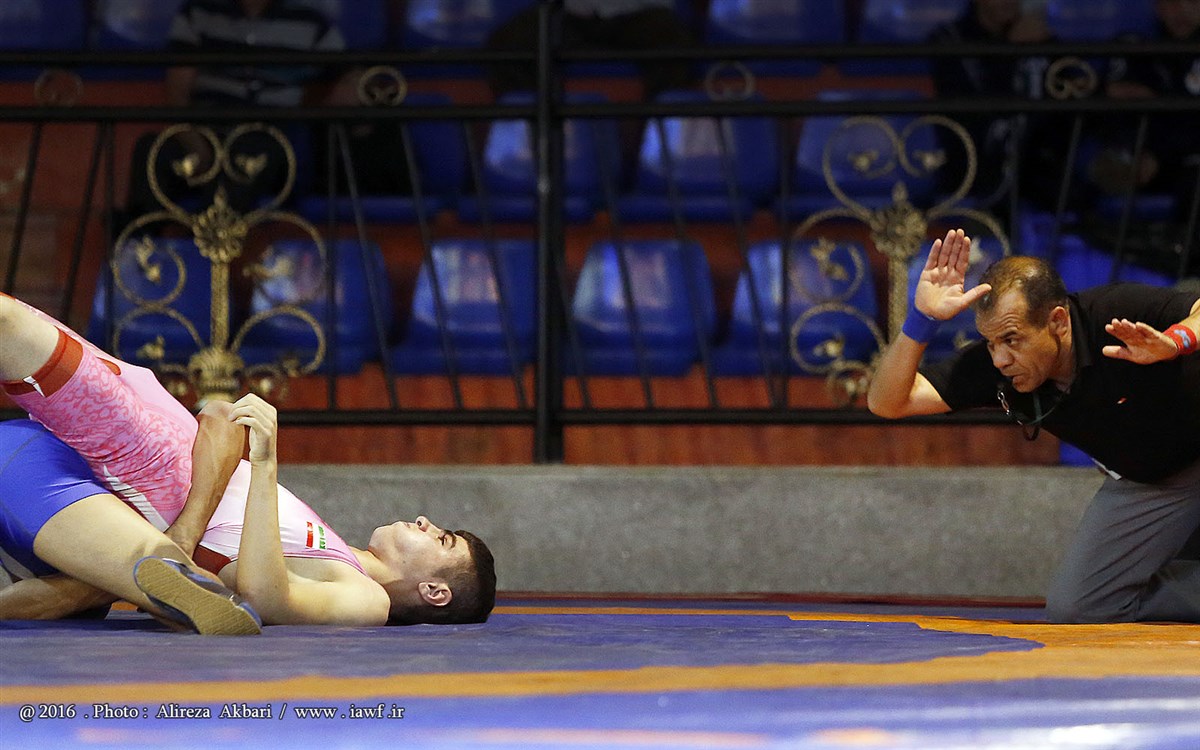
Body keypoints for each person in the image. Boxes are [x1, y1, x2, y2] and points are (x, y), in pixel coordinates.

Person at [0, 292, 496, 626]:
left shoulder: (367, 600)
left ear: (435, 592)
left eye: (443, 539)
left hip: (139, 454)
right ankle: (158, 565)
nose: (426, 522)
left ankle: (157, 569)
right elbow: (220, 418)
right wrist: (185, 537)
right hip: (150, 429)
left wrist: (266, 464)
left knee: (7, 322)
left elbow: (265, 598)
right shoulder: (337, 550)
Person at [867, 228, 1200, 623]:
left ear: (1057, 321)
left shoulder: (1113, 313)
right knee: (1079, 607)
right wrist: (921, 321)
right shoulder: (1000, 368)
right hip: (1159, 478)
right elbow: (887, 402)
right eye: (991, 343)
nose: (1000, 359)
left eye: (1012, 339)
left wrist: (1177, 342)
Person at [0, 401, 263, 635]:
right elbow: (224, 415)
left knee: (167, 582)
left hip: (30, 480)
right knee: (185, 586)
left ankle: (144, 574)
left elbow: (224, 415)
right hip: (39, 494)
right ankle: (146, 575)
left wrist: (186, 533)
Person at [927, 0, 1072, 211]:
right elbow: (975, 109)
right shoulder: (949, 39)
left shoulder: (1035, 36)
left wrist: (1047, 44)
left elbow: (1073, 87)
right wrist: (1012, 51)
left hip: (1037, 171)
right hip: (972, 169)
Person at [485, 0, 696, 100]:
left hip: (641, 13)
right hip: (572, 14)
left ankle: (659, 141)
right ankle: (534, 131)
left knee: (674, 43)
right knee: (507, 44)